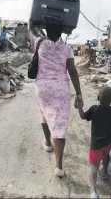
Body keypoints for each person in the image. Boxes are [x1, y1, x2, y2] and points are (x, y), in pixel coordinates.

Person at [34, 23, 83, 178]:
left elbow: (32, 28)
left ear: (46, 30)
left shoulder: (39, 44)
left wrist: (35, 21)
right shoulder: (67, 49)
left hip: (42, 88)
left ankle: (48, 143)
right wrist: (79, 93)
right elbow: (73, 71)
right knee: (59, 125)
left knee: (44, 115)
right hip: (60, 90)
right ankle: (58, 167)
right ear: (62, 32)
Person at [78, 87, 111, 199]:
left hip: (96, 145)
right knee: (106, 155)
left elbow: (83, 116)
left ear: (98, 97)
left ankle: (93, 191)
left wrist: (79, 107)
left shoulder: (94, 109)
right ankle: (105, 173)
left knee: (93, 166)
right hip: (109, 143)